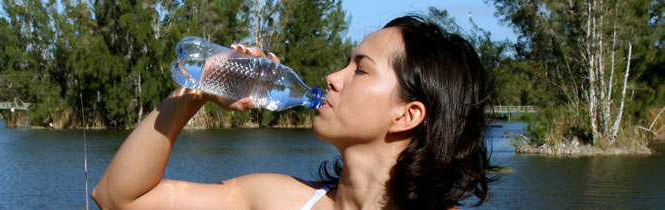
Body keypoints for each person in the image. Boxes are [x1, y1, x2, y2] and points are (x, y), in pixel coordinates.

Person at [92, 16, 497, 210]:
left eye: (360, 69)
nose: (333, 77)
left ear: (406, 115)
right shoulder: (278, 199)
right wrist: (198, 90)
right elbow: (117, 199)